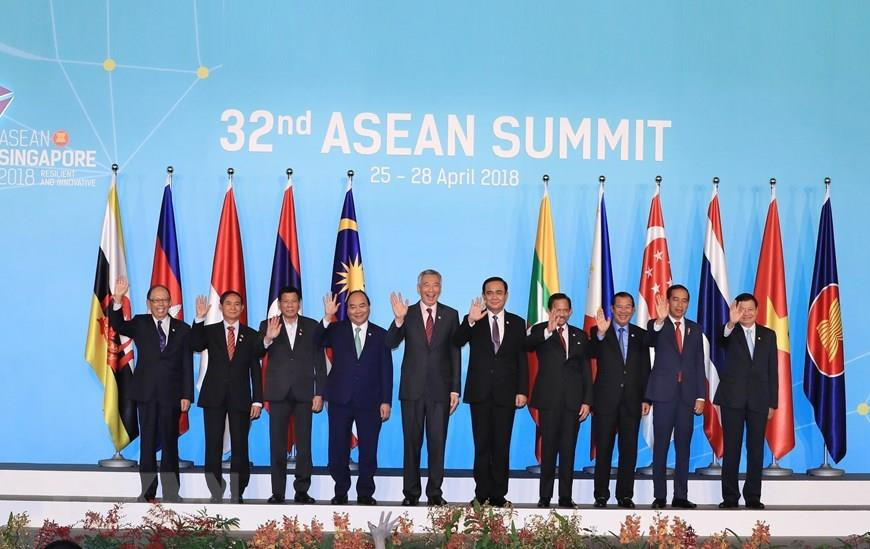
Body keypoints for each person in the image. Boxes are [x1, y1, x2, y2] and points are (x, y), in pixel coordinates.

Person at [107, 276, 193, 503]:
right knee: (147, 444)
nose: (160, 304)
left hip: (172, 395)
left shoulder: (182, 329)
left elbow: (186, 363)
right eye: (156, 300)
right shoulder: (140, 322)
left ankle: (172, 492)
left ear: (170, 301)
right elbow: (118, 326)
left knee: (170, 444)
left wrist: (187, 395)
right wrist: (117, 299)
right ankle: (148, 491)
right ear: (149, 303)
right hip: (145, 394)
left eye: (164, 300)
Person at [387, 269, 461, 506]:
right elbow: (390, 343)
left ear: (441, 287)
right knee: (412, 443)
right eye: (426, 285)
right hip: (412, 390)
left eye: (436, 285)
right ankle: (410, 494)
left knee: (437, 443)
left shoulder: (451, 315)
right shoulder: (406, 313)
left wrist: (454, 389)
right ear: (418, 288)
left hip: (441, 391)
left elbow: (455, 353)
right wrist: (398, 320)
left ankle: (434, 494)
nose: (431, 290)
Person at [453, 276, 528, 507]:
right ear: (484, 296)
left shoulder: (517, 322)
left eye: (499, 292)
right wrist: (471, 322)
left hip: (507, 394)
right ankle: (481, 493)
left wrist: (522, 390)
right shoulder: (475, 319)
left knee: (501, 446)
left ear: (506, 295)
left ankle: (498, 495)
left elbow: (521, 359)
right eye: (489, 292)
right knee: (482, 445)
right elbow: (456, 341)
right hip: (480, 393)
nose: (494, 296)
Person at [318, 290, 393, 505]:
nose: (357, 310)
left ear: (369, 307)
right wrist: (326, 317)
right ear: (346, 310)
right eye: (352, 306)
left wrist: (386, 400)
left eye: (362, 306)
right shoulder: (335, 330)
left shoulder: (380, 334)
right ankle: (340, 490)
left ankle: (365, 493)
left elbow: (386, 370)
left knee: (369, 448)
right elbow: (316, 340)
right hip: (340, 398)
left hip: (371, 401)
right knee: (338, 447)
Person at [192, 291, 263, 504]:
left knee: (241, 446)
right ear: (221, 307)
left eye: (237, 304)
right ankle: (215, 490)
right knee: (212, 445)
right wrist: (199, 319)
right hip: (213, 396)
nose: (232, 307)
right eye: (228, 304)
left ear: (242, 308)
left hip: (241, 398)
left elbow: (255, 369)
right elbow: (195, 345)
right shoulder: (210, 331)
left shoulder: (251, 335)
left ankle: (237, 491)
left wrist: (257, 399)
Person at [258, 287, 327, 504]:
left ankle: (302, 491)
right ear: (279, 304)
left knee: (304, 445)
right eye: (285, 301)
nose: (289, 305)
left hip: (304, 393)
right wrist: (268, 339)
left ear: (299, 303)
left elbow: (320, 362)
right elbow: (257, 353)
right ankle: (277, 492)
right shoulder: (268, 325)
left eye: (293, 301)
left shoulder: (311, 326)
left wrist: (320, 393)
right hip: (277, 393)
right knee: (276, 445)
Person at [525, 293, 592, 509]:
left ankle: (565, 497)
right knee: (549, 451)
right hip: (549, 401)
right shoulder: (540, 331)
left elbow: (585, 371)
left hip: (573, 402)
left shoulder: (580, 335)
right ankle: (544, 497)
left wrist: (587, 401)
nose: (561, 314)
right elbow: (527, 345)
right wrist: (548, 330)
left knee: (568, 451)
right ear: (550, 310)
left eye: (565, 310)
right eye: (557, 309)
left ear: (570, 311)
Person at [644, 284, 706, 509]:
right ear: (668, 302)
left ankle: (680, 495)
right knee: (660, 446)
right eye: (676, 300)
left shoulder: (695, 328)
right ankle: (659, 496)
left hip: (687, 397)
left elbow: (699, 362)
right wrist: (660, 321)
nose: (680, 305)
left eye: (684, 300)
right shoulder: (657, 325)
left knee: (683, 447)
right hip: (663, 395)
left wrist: (701, 396)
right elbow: (649, 340)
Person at [715, 293, 778, 510]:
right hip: (732, 400)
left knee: (755, 449)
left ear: (757, 311)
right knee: (731, 449)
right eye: (742, 309)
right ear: (736, 310)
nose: (747, 313)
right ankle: (730, 497)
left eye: (751, 309)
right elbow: (720, 340)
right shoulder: (730, 332)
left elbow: (772, 371)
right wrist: (731, 322)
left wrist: (772, 403)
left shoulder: (768, 335)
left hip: (759, 401)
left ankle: (753, 496)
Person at [589, 292, 651, 509]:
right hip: (605, 400)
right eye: (619, 307)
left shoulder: (641, 335)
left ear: (633, 310)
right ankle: (601, 495)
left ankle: (625, 495)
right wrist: (600, 334)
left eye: (628, 307)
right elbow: (591, 353)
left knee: (629, 450)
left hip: (632, 401)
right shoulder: (599, 331)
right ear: (612, 309)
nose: (624, 311)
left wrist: (646, 398)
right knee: (604, 450)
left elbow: (645, 369)